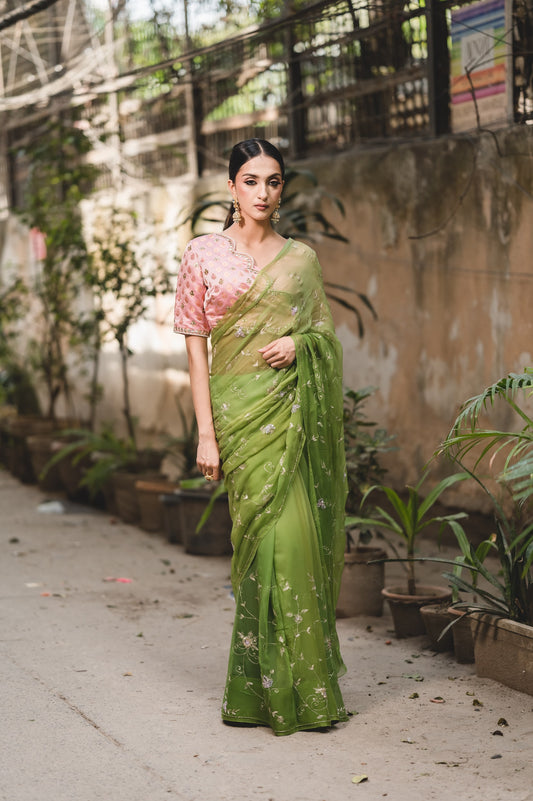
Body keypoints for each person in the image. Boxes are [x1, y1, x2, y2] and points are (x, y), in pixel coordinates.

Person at [173, 138, 349, 735]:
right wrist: (206, 435)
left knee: (293, 543)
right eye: (251, 181)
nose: (263, 194)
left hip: (290, 414)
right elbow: (195, 350)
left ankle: (301, 692)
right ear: (231, 188)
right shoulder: (202, 254)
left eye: (273, 182)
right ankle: (259, 691)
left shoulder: (301, 259)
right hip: (237, 416)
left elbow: (324, 334)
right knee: (260, 546)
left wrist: (300, 345)